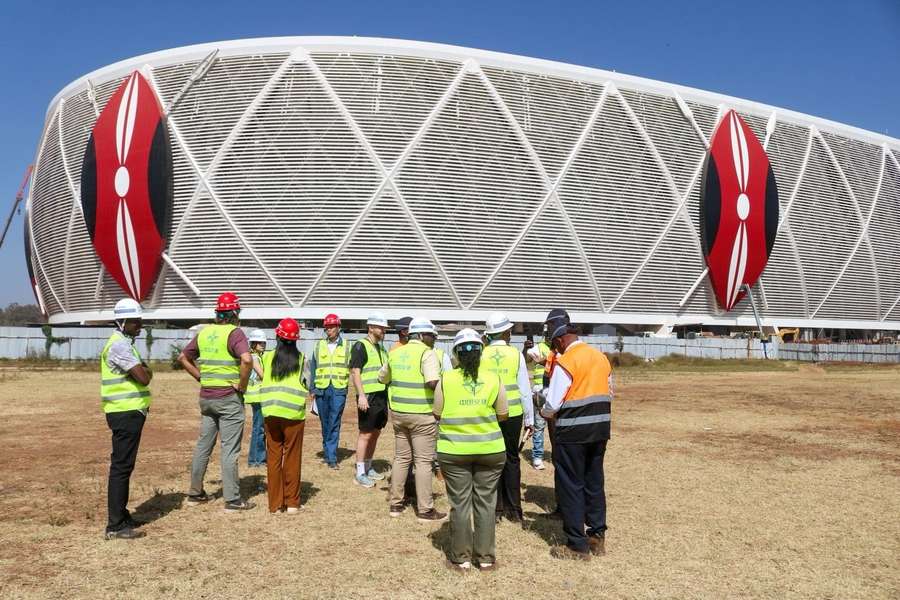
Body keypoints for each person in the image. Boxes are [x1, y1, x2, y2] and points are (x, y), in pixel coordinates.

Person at [541, 309, 612, 561]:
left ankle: (576, 545)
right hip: (601, 429)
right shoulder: (601, 357)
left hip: (573, 431)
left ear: (560, 340)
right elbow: (609, 392)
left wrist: (543, 409)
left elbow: (552, 404)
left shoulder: (567, 362)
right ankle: (597, 536)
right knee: (594, 482)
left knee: (571, 484)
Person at [435, 329, 508, 572]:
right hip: (491, 450)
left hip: (454, 451)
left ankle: (461, 558)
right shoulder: (493, 378)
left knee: (460, 503)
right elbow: (504, 413)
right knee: (486, 503)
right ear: (481, 352)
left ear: (456, 353)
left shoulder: (446, 379)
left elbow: (437, 411)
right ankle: (486, 559)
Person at [178, 292, 255, 512]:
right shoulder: (235, 333)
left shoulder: (204, 333)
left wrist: (200, 377)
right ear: (234, 313)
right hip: (228, 399)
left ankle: (195, 493)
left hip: (207, 398)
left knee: (203, 445)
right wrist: (242, 386)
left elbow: (183, 357)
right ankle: (232, 499)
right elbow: (247, 359)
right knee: (229, 449)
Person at [380, 317, 447, 522]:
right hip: (422, 415)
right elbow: (432, 382)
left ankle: (396, 504)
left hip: (399, 414)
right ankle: (425, 510)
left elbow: (382, 378)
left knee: (401, 458)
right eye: (431, 335)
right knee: (424, 462)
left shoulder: (395, 353)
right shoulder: (427, 354)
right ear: (420, 335)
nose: (434, 339)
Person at [101, 298, 153, 540]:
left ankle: (121, 515)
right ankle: (115, 525)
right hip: (125, 412)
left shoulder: (125, 343)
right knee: (121, 467)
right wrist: (144, 370)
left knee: (125, 465)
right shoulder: (120, 345)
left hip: (129, 411)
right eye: (135, 321)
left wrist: (142, 369)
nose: (139, 325)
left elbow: (141, 372)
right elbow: (143, 377)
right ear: (122, 322)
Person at [482, 312, 534, 523]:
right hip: (513, 414)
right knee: (512, 459)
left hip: (488, 414)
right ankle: (515, 510)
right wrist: (530, 420)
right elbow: (524, 389)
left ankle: (495, 509)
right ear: (505, 332)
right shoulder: (516, 355)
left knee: (491, 461)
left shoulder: (481, 354)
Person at [259, 319, 308, 514]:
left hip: (271, 413)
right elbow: (307, 382)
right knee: (292, 458)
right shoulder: (302, 359)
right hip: (293, 414)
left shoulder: (267, 357)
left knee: (273, 457)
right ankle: (292, 503)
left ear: (277, 336)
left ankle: (275, 504)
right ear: (296, 339)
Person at [349, 312, 390, 488]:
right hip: (368, 396)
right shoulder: (360, 346)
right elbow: (355, 372)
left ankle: (368, 466)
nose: (383, 331)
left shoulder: (381, 348)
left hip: (381, 395)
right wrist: (362, 395)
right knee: (365, 433)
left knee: (376, 432)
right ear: (371, 327)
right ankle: (359, 473)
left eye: (384, 328)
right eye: (380, 327)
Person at [308, 313, 350, 469]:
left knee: (334, 421)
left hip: (338, 388)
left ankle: (331, 457)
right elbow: (313, 367)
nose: (329, 330)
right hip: (321, 388)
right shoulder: (319, 345)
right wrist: (312, 388)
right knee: (325, 422)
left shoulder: (347, 345)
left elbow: (353, 367)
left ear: (338, 327)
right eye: (327, 327)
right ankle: (328, 453)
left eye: (332, 327)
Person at [525, 335, 552, 470]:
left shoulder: (561, 349)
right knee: (539, 425)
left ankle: (558, 454)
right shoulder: (539, 347)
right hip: (539, 391)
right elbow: (528, 357)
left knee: (556, 427)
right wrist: (526, 349)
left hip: (555, 390)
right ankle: (537, 456)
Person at [244, 329, 267, 468]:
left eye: (263, 342)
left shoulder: (255, 356)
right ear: (253, 343)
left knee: (258, 428)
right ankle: (256, 460)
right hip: (257, 396)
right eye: (259, 342)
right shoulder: (254, 357)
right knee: (259, 429)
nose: (262, 344)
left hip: (256, 396)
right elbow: (263, 375)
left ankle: (257, 459)